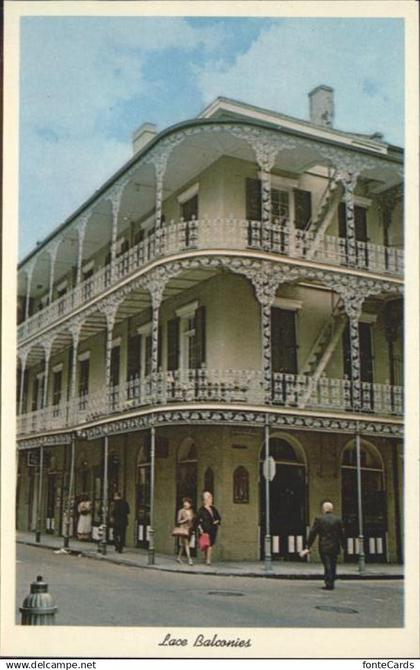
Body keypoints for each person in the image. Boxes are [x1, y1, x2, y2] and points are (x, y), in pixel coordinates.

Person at [301, 500, 345, 590]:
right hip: (335, 546)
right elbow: (342, 534)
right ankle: (332, 580)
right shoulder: (338, 520)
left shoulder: (319, 519)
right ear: (332, 509)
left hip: (324, 545)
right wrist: (344, 545)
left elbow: (313, 533)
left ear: (324, 509)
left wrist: (308, 546)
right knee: (333, 564)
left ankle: (328, 583)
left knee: (327, 564)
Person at [197, 491, 221, 565]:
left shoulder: (213, 509)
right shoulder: (201, 510)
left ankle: (207, 558)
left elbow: (218, 517)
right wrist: (200, 529)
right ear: (205, 500)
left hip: (213, 529)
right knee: (207, 544)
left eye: (211, 497)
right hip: (205, 530)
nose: (211, 499)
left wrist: (217, 521)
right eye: (209, 497)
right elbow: (198, 521)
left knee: (210, 544)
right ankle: (208, 560)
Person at [175, 497, 196, 565]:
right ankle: (189, 559)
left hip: (190, 528)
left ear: (190, 504)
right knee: (186, 544)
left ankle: (178, 557)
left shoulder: (191, 511)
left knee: (183, 545)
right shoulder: (181, 511)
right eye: (185, 503)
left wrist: (192, 519)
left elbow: (193, 520)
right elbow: (178, 521)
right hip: (183, 529)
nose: (186, 504)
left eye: (187, 503)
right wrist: (185, 519)